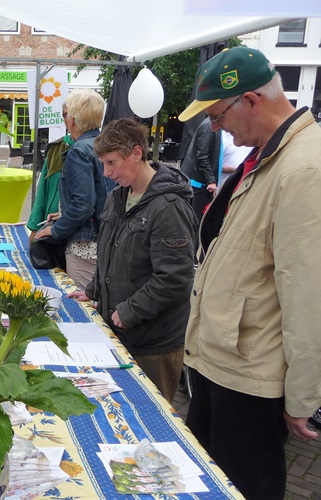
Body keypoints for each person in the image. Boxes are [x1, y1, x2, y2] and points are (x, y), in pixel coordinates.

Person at [179, 46, 321, 499]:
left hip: (249, 376)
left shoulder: (304, 167)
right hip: (221, 361)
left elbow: (306, 293)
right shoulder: (268, 154)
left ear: (252, 102)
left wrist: (303, 398)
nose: (216, 128)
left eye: (218, 116)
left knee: (245, 487)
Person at [69, 118, 196, 404]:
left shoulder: (169, 207)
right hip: (120, 332)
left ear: (137, 153)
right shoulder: (118, 196)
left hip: (153, 343)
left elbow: (174, 277)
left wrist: (130, 311)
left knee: (149, 416)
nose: (107, 172)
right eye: (103, 164)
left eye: (112, 163)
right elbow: (110, 253)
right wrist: (93, 290)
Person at [34, 89, 115, 290]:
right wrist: (63, 214)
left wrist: (55, 229)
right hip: (105, 238)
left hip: (85, 244)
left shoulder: (79, 151)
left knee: (84, 306)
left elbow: (83, 205)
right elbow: (98, 195)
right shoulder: (102, 144)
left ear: (73, 119)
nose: (65, 118)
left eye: (66, 113)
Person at [26, 134, 73, 241]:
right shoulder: (57, 148)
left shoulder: (95, 148)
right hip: (49, 231)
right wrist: (35, 228)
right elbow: (42, 191)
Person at [180, 117, 220, 224]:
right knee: (196, 223)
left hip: (200, 183)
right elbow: (202, 156)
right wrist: (211, 181)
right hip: (198, 185)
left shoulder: (211, 125)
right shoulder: (209, 126)